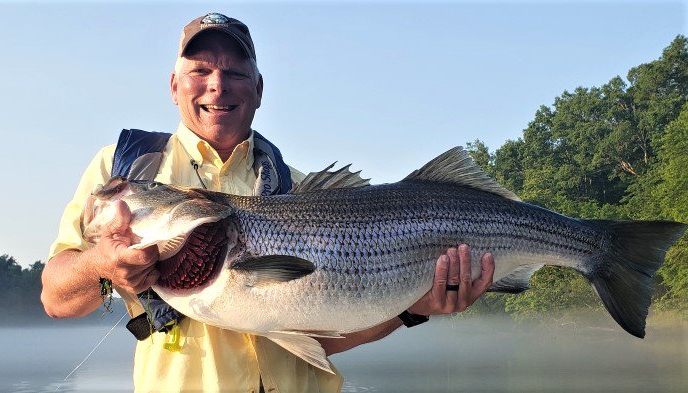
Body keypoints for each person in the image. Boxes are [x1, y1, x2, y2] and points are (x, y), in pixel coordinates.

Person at [41, 12, 496, 392]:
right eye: (200, 71)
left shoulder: (301, 191)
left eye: (236, 73)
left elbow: (329, 339)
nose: (217, 86)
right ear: (174, 85)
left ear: (258, 90)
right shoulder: (125, 174)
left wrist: (413, 310)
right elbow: (56, 297)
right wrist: (99, 264)